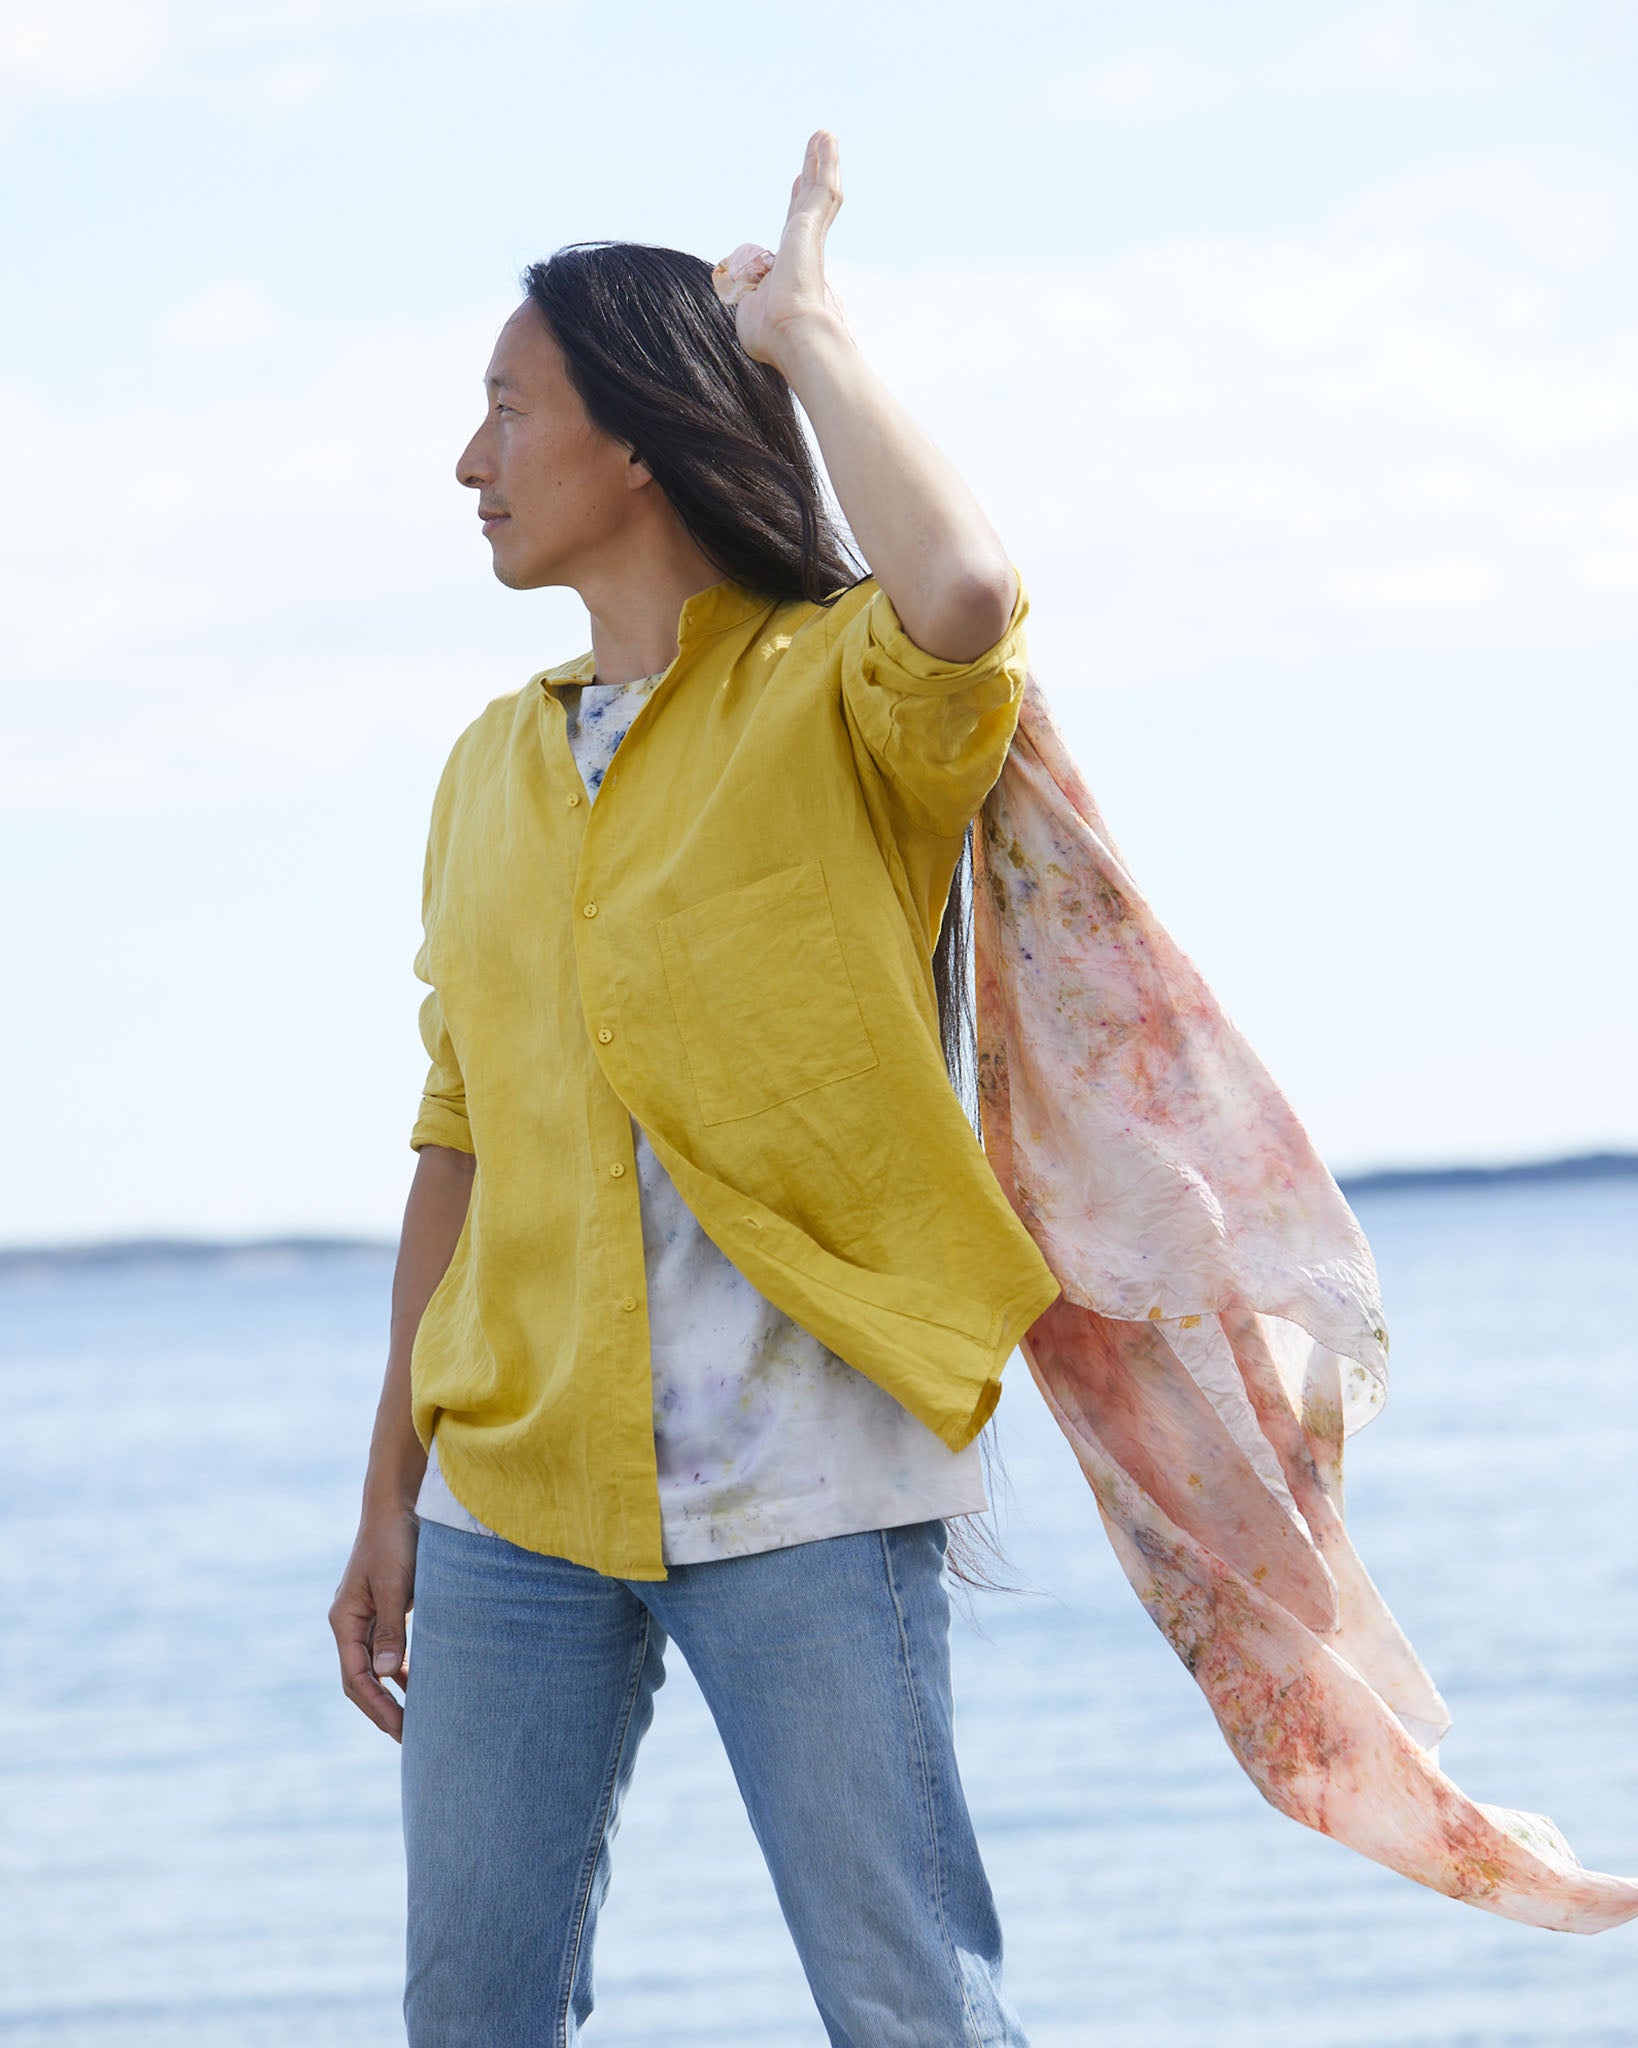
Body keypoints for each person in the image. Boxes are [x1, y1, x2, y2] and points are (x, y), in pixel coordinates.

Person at [327, 129, 1061, 2048]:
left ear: (634, 441)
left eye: (505, 411)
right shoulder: (487, 772)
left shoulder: (836, 696)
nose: (469, 461)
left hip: (808, 1478)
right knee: (468, 2017)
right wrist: (388, 1491)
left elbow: (970, 588)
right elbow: (456, 1142)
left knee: (908, 2008)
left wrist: (801, 329)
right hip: (518, 1501)